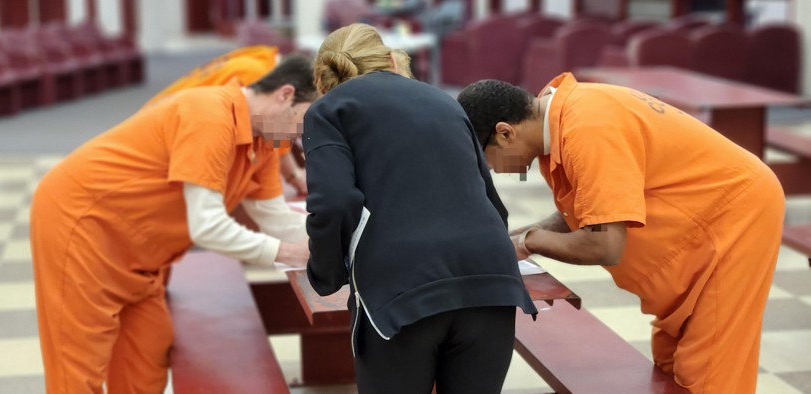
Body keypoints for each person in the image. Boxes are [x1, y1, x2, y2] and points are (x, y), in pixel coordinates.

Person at [456, 74, 785, 394]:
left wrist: (529, 243)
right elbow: (592, 208)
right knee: (671, 360)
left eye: (486, 161)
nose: (493, 171)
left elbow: (604, 244)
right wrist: (524, 233)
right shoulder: (560, 123)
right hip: (703, 222)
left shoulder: (587, 129)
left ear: (505, 133)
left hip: (735, 218)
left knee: (706, 371)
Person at [29, 56, 318, 393]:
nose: (301, 137)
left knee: (147, 353)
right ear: (285, 95)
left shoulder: (266, 142)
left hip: (142, 251)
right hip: (82, 225)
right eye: (304, 121)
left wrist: (337, 245)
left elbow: (277, 219)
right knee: (78, 371)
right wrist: (289, 253)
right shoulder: (210, 115)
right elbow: (207, 227)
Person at [303, 23, 537, 394]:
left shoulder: (329, 110)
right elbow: (491, 202)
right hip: (491, 281)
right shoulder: (443, 100)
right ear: (387, 58)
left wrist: (326, 274)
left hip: (401, 289)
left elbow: (334, 202)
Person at [145, 45, 309, 195]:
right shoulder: (255, 74)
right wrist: (295, 176)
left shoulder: (260, 57)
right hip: (158, 147)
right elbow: (274, 135)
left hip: (158, 123)